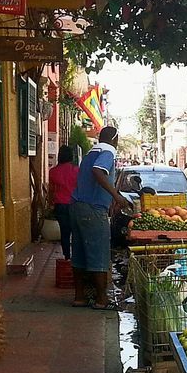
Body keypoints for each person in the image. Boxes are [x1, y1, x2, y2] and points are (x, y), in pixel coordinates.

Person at [70, 127, 131, 310]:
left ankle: (79, 297)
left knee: (79, 254)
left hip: (76, 206)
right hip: (93, 210)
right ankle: (101, 299)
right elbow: (98, 171)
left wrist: (111, 197)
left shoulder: (91, 152)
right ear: (115, 139)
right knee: (99, 254)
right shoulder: (108, 151)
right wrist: (117, 196)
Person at [48, 146, 80, 261]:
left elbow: (51, 190)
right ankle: (77, 257)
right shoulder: (76, 170)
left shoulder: (53, 172)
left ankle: (67, 256)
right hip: (74, 204)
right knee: (76, 232)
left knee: (64, 232)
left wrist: (50, 204)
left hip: (60, 205)